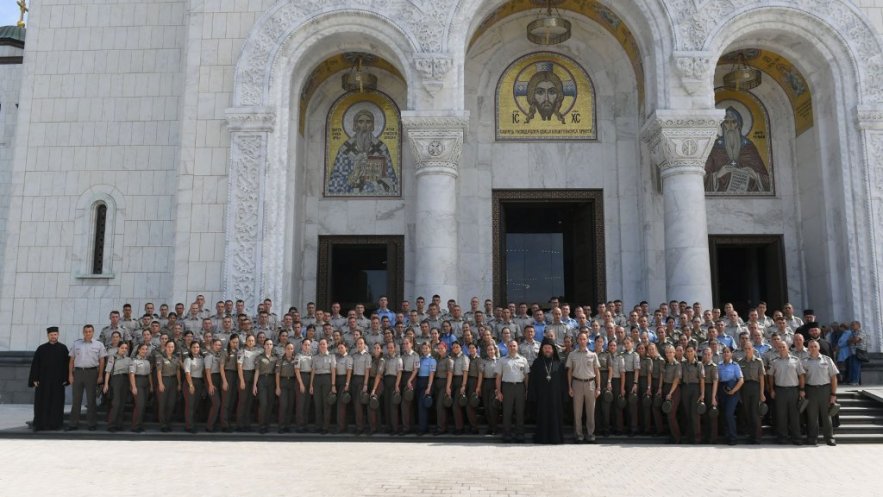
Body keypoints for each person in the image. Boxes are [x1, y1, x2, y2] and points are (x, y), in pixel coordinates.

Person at [66, 324, 107, 431]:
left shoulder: (99, 345)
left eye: (90, 331)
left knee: (91, 400)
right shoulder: (76, 344)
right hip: (78, 373)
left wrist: (100, 375)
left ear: (93, 332)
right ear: (83, 332)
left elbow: (102, 361)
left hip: (92, 373)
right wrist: (70, 375)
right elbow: (71, 361)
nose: (88, 333)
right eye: (86, 331)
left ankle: (92, 424)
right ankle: (73, 424)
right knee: (76, 400)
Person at [28, 327, 69, 431]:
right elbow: (35, 365)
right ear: (48, 336)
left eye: (55, 334)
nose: (53, 336)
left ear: (58, 335)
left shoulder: (63, 348)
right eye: (51, 335)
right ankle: (40, 424)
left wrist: (66, 378)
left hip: (58, 382)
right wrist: (35, 379)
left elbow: (67, 365)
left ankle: (55, 424)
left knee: (57, 402)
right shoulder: (41, 349)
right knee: (42, 402)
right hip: (43, 381)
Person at [529, 337, 567, 444]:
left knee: (555, 416)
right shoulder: (537, 363)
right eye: (545, 348)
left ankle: (556, 438)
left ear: (553, 349)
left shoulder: (559, 363)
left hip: (556, 396)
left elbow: (564, 381)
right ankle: (543, 438)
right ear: (542, 349)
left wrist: (564, 395)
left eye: (549, 348)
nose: (547, 350)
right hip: (542, 396)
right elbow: (532, 380)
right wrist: (533, 394)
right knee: (542, 415)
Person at [768, 339, 806, 445]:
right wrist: (771, 389)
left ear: (788, 348)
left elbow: (801, 375)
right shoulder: (774, 361)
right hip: (780, 391)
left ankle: (797, 438)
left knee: (795, 416)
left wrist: (802, 389)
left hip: (793, 390)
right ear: (777, 349)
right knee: (781, 415)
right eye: (779, 347)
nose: (782, 349)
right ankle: (782, 438)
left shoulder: (796, 360)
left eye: (783, 346)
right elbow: (770, 376)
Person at [566, 332, 601, 443]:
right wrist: (570, 387)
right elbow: (569, 371)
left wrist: (598, 387)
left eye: (584, 339)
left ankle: (591, 434)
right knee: (577, 411)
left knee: (591, 411)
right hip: (577, 384)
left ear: (587, 341)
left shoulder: (593, 355)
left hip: (590, 384)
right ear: (577, 340)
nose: (582, 341)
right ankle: (579, 434)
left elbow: (597, 371)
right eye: (580, 339)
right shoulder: (572, 354)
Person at [803, 340, 839, 446]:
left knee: (826, 415)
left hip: (825, 390)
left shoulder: (827, 360)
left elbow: (833, 377)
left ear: (818, 348)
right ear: (808, 348)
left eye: (815, 346)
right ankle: (813, 438)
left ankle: (829, 438)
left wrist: (833, 394)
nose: (813, 348)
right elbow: (802, 378)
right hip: (811, 390)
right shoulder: (804, 361)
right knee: (812, 416)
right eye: (811, 346)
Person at [495, 339, 529, 443]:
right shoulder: (502, 360)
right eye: (510, 346)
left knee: (520, 411)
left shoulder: (523, 360)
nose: (512, 348)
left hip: (519, 387)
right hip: (507, 387)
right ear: (507, 347)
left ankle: (520, 434)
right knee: (507, 412)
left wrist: (527, 390)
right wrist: (499, 391)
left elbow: (526, 376)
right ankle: (507, 434)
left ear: (517, 347)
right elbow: (498, 377)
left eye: (514, 346)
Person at [738, 341, 765, 444]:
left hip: (755, 387)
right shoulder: (740, 362)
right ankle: (750, 436)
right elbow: (739, 378)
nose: (748, 350)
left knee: (755, 412)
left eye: (749, 348)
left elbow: (762, 378)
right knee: (747, 412)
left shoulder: (758, 361)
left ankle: (757, 437)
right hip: (745, 387)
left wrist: (762, 393)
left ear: (753, 349)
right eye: (746, 349)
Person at [103, 342, 131, 432]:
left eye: (126, 348)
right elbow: (108, 371)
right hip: (116, 379)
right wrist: (106, 384)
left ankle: (119, 424)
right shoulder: (113, 358)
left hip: (125, 380)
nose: (124, 350)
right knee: (116, 403)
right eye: (122, 348)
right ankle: (111, 425)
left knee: (122, 403)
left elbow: (131, 373)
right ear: (118, 348)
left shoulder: (128, 359)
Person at [310, 338, 336, 434]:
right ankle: (318, 426)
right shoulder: (315, 357)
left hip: (327, 379)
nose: (322, 345)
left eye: (324, 344)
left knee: (326, 404)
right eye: (320, 344)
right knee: (317, 404)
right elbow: (313, 371)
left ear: (327, 345)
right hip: (317, 379)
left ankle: (326, 427)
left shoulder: (331, 356)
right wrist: (311, 385)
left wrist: (333, 385)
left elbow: (333, 371)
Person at [680, 345, 704, 444]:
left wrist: (702, 394)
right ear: (685, 353)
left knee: (695, 414)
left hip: (695, 388)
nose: (689, 353)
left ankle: (697, 437)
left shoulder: (699, 364)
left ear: (694, 352)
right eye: (688, 351)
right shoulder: (683, 364)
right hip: (685, 388)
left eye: (691, 351)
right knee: (687, 412)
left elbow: (702, 379)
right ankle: (689, 436)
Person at [253, 339, 277, 434]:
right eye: (267, 344)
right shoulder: (259, 357)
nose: (269, 346)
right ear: (264, 346)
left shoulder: (275, 358)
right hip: (262, 380)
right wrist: (254, 385)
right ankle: (261, 425)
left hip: (272, 380)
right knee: (263, 404)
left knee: (270, 403)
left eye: (270, 344)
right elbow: (257, 371)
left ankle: (267, 424)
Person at [236, 334, 260, 432]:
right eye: (249, 340)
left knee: (249, 402)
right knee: (242, 401)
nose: (251, 342)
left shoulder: (257, 351)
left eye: (252, 340)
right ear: (246, 341)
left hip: (252, 375)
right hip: (244, 375)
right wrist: (241, 380)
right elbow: (239, 366)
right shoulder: (241, 351)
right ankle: (239, 424)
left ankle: (247, 424)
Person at [659, 345, 682, 444]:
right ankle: (672, 436)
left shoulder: (677, 365)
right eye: (667, 352)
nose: (668, 354)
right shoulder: (665, 364)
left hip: (674, 390)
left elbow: (676, 379)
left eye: (670, 352)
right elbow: (662, 376)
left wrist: (670, 393)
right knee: (668, 413)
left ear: (674, 353)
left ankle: (677, 438)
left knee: (671, 414)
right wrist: (660, 388)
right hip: (666, 387)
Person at [128, 343, 153, 432]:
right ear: (138, 350)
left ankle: (139, 425)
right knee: (139, 405)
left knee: (143, 405)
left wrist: (151, 385)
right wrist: (133, 387)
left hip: (146, 383)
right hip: (137, 382)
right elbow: (131, 374)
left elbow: (149, 374)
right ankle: (135, 426)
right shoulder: (134, 361)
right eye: (143, 349)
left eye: (146, 349)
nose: (144, 351)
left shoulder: (147, 361)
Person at [476, 343, 499, 435]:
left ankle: (494, 428)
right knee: (486, 406)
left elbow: (499, 376)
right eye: (488, 349)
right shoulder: (483, 361)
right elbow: (481, 375)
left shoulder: (499, 361)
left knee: (492, 406)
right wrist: (478, 387)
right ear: (486, 351)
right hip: (485, 383)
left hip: (495, 383)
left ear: (495, 350)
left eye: (492, 349)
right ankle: (490, 427)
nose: (490, 351)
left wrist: (498, 388)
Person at [183, 341, 205, 434]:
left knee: (195, 405)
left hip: (199, 382)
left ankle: (193, 424)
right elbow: (187, 373)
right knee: (190, 405)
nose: (196, 349)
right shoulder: (188, 359)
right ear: (190, 349)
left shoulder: (202, 358)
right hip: (190, 382)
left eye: (197, 347)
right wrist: (191, 385)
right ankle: (189, 426)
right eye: (194, 347)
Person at [220, 334, 240, 432]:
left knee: (232, 400)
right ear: (229, 342)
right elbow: (221, 367)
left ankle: (229, 422)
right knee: (226, 402)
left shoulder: (238, 351)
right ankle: (224, 424)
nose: (235, 344)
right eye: (233, 342)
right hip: (227, 375)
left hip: (236, 376)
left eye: (237, 342)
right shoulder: (225, 352)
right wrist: (224, 381)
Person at [416, 342, 437, 436]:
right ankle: (423, 426)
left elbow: (432, 374)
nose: (424, 350)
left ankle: (423, 429)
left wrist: (429, 387)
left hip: (427, 382)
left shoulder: (432, 360)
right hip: (419, 382)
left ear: (430, 349)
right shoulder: (420, 359)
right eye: (423, 348)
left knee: (422, 406)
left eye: (426, 348)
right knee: (420, 406)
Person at [276, 343, 298, 433]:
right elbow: (277, 374)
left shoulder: (295, 359)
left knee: (290, 405)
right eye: (288, 348)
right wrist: (277, 387)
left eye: (291, 349)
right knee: (283, 405)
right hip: (283, 382)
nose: (290, 350)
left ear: (293, 350)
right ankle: (281, 426)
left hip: (292, 383)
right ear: (285, 350)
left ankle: (287, 426)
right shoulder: (280, 360)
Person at [203, 339, 223, 432]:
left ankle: (213, 424)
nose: (218, 347)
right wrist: (210, 384)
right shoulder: (209, 356)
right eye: (216, 345)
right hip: (211, 379)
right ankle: (209, 426)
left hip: (218, 378)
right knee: (216, 403)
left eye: (219, 345)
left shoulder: (218, 355)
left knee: (215, 403)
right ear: (212, 345)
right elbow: (207, 371)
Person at [700, 347, 719, 444]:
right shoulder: (701, 365)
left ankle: (713, 438)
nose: (707, 356)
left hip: (711, 389)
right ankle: (706, 437)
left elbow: (715, 381)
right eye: (705, 354)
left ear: (712, 355)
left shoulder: (714, 366)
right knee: (704, 415)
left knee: (712, 415)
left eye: (709, 354)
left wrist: (713, 397)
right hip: (702, 390)